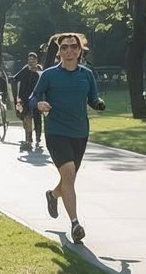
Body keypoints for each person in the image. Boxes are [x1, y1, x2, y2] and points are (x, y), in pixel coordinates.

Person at [29, 32, 105, 243]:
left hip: (80, 132)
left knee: (68, 179)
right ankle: (75, 224)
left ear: (80, 51)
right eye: (64, 47)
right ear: (59, 52)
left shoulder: (86, 75)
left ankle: (53, 195)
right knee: (69, 173)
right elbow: (33, 97)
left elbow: (93, 97)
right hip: (56, 131)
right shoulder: (49, 75)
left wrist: (98, 104)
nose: (69, 50)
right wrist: (38, 104)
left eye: (73, 47)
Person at [13, 52, 44, 152]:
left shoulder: (39, 71)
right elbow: (15, 78)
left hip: (36, 98)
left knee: (37, 118)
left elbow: (45, 83)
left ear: (36, 61)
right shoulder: (25, 70)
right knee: (26, 118)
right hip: (25, 98)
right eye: (30, 60)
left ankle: (38, 140)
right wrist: (17, 97)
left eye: (33, 60)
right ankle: (28, 140)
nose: (31, 62)